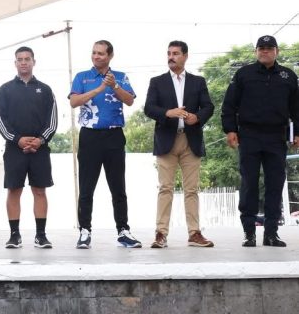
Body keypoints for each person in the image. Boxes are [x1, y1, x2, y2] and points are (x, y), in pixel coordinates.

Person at [222, 35, 299, 247]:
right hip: (249, 136)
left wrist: (297, 133)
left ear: (277, 51)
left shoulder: (288, 76)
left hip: (276, 136)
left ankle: (271, 233)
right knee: (249, 183)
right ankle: (249, 232)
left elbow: (296, 109)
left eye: (269, 48)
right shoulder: (244, 74)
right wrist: (230, 130)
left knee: (275, 184)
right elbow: (229, 105)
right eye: (261, 48)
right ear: (256, 51)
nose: (265, 51)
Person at [69, 40, 141, 249]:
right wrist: (99, 88)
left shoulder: (120, 76)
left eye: (101, 53)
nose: (96, 56)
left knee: (118, 186)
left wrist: (114, 86)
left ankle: (123, 231)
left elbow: (130, 100)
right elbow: (74, 102)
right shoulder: (82, 77)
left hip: (114, 136)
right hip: (90, 136)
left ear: (110, 56)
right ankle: (84, 231)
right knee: (86, 187)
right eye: (94, 53)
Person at [144, 41, 214, 248]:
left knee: (191, 189)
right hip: (166, 139)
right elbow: (149, 108)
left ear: (185, 56)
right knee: (165, 188)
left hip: (190, 139)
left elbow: (208, 106)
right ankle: (160, 233)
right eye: (168, 53)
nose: (171, 57)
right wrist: (168, 113)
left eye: (175, 53)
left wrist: (197, 117)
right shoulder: (157, 81)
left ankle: (194, 233)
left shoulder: (198, 81)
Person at [0, 46, 57, 249]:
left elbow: (53, 121)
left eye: (27, 59)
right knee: (14, 191)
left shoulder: (46, 90)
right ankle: (14, 235)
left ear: (33, 62)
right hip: (14, 149)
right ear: (15, 63)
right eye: (19, 59)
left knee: (40, 191)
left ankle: (41, 235)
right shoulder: (5, 89)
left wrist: (40, 140)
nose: (23, 62)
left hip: (40, 149)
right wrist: (17, 139)